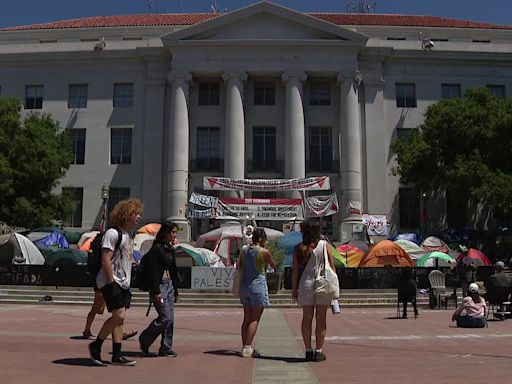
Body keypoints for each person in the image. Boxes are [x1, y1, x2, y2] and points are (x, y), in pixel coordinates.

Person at [88, 198, 144, 366]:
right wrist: (111, 283)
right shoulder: (113, 233)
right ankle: (96, 345)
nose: (138, 217)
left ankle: (117, 354)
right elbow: (106, 259)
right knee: (119, 315)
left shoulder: (129, 235)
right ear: (126, 214)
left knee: (119, 319)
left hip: (124, 282)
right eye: (136, 213)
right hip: (110, 281)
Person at [291, 220, 335, 362]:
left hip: (306, 284)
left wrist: (294, 290)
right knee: (321, 319)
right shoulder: (325, 246)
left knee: (307, 318)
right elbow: (332, 267)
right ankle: (319, 350)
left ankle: (308, 349)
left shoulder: (299, 248)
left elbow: (295, 271)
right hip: (322, 282)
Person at [139, 221, 180, 357]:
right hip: (159, 286)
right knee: (165, 317)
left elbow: (173, 270)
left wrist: (176, 290)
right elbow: (152, 271)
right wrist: (156, 290)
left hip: (169, 286)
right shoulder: (156, 249)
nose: (174, 235)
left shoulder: (170, 249)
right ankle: (145, 339)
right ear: (166, 233)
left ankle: (166, 347)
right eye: (173, 232)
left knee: (170, 319)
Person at [238, 227, 275, 358]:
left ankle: (244, 346)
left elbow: (238, 266)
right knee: (255, 319)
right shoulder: (264, 252)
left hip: (244, 286)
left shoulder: (243, 250)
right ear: (262, 239)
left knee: (246, 318)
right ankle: (247, 348)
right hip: (258, 286)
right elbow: (274, 265)